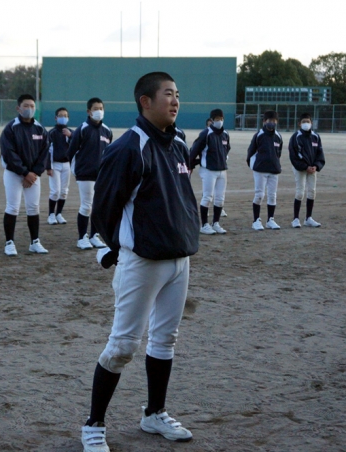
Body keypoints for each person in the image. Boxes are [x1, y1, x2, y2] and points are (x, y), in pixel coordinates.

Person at [80, 72, 199, 452]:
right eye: (168, 94)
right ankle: (94, 425)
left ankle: (154, 414)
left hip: (179, 260)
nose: (175, 101)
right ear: (146, 102)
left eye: (177, 94)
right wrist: (117, 249)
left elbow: (181, 200)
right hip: (142, 262)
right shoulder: (128, 147)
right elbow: (104, 210)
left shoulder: (178, 144)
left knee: (165, 339)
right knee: (122, 346)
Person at [0, 94, 50, 255]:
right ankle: (9, 243)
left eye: (32, 106)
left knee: (33, 207)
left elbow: (44, 153)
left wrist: (34, 173)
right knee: (13, 207)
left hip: (33, 176)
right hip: (14, 174)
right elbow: (9, 153)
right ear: (18, 108)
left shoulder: (40, 129)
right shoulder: (11, 128)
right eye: (26, 106)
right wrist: (24, 172)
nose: (29, 109)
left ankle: (35, 242)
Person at [66, 97, 113, 250]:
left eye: (101, 108)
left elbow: (108, 153)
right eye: (95, 109)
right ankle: (82, 238)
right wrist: (77, 170)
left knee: (98, 207)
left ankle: (94, 235)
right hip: (85, 174)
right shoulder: (83, 129)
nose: (99, 111)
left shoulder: (107, 131)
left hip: (101, 175)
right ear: (89, 111)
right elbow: (71, 152)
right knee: (86, 205)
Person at [189, 108, 230, 235]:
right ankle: (204, 225)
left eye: (221, 119)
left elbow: (227, 149)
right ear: (212, 120)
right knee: (207, 197)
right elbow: (195, 149)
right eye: (217, 119)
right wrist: (191, 164)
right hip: (208, 170)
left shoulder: (225, 134)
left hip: (222, 170)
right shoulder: (206, 134)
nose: (220, 121)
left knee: (220, 198)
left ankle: (216, 223)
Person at [246, 110, 283, 231]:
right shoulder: (259, 135)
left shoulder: (278, 136)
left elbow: (278, 153)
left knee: (272, 195)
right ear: (264, 121)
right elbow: (250, 152)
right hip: (260, 170)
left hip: (274, 170)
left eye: (274, 120)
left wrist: (275, 164)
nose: (272, 122)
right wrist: (255, 166)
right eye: (269, 120)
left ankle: (270, 220)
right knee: (259, 195)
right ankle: (256, 220)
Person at [289, 113, 325, 228]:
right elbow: (294, 156)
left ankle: (308, 218)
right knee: (300, 192)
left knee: (312, 191)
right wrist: (305, 166)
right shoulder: (296, 137)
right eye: (304, 122)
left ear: (311, 123)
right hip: (300, 168)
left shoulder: (316, 137)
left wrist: (316, 166)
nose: (306, 124)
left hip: (312, 169)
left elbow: (320, 153)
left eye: (308, 122)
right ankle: (295, 219)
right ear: (299, 124)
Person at [46, 107, 72, 225]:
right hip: (55, 165)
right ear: (56, 118)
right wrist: (49, 167)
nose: (63, 118)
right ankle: (51, 214)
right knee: (55, 191)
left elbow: (76, 147)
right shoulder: (52, 133)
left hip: (66, 165)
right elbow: (48, 150)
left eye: (65, 116)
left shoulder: (71, 132)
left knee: (64, 191)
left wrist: (70, 136)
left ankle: (59, 214)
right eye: (61, 116)